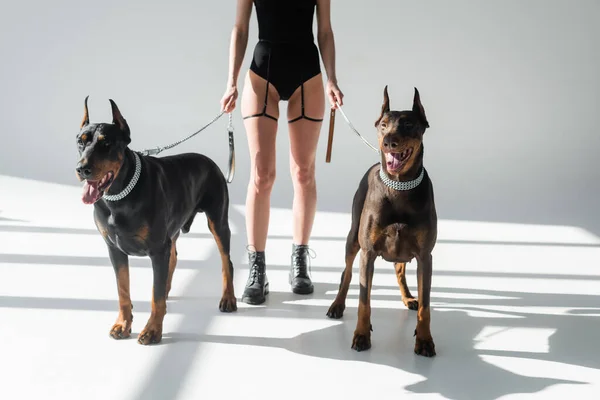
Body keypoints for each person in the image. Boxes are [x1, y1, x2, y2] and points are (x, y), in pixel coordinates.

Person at [220, 0, 344, 305]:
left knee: (304, 172)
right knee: (262, 176)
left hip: (307, 72)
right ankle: (256, 267)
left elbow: (325, 31)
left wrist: (332, 79)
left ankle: (299, 258)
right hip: (263, 71)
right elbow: (240, 27)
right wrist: (231, 82)